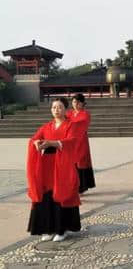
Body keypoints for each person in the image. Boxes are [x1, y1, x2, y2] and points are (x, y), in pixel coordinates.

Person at [27, 98, 81, 242]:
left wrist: (53, 143)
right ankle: (48, 228)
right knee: (47, 195)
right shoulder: (46, 127)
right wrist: (36, 143)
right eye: (54, 107)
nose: (56, 110)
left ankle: (62, 229)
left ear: (65, 109)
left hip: (63, 165)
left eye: (59, 107)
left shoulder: (71, 125)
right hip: (47, 166)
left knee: (62, 193)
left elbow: (72, 141)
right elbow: (34, 139)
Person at [66, 93, 95, 194]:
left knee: (80, 162)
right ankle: (72, 186)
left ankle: (81, 187)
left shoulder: (85, 114)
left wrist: (69, 124)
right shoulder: (69, 113)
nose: (76, 104)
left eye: (78, 102)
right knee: (71, 163)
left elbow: (81, 125)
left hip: (81, 141)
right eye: (74, 102)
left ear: (83, 104)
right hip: (70, 141)